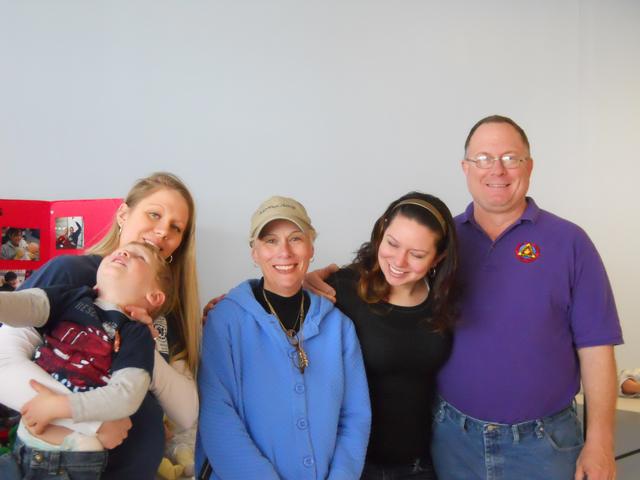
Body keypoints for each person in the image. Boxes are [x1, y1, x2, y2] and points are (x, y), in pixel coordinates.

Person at [430, 115, 622, 480]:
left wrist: (600, 443)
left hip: (544, 445)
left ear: (529, 166)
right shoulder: (442, 240)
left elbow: (597, 348)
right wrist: (313, 279)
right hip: (454, 440)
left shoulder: (571, 242)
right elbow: (388, 283)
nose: (497, 170)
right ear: (465, 168)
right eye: (484, 158)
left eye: (510, 158)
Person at [0, 172, 201, 479]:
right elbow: (4, 363)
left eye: (175, 228)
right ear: (123, 214)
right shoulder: (70, 276)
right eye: (154, 214)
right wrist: (95, 421)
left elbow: (186, 413)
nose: (162, 231)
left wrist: (141, 344)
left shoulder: (165, 311)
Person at [196, 195, 371, 480]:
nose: (285, 252)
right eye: (270, 240)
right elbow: (217, 416)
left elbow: (355, 417)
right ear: (254, 252)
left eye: (295, 238)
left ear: (311, 247)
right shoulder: (225, 320)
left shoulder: (339, 327)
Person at [0, 241, 171, 479]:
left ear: (154, 296)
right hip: (23, 445)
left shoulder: (135, 333)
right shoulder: (72, 296)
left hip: (71, 459)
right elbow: (29, 305)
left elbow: (126, 394)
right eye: (122, 250)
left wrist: (60, 406)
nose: (124, 252)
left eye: (138, 257)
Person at [325, 192, 458, 480]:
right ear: (381, 231)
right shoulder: (341, 289)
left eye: (417, 254)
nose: (399, 261)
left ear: (439, 257)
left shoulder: (443, 303)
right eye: (392, 244)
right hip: (355, 465)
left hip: (422, 465)